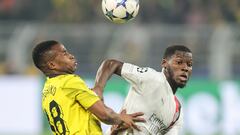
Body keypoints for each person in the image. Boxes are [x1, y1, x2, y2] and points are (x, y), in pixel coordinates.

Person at [32, 40, 145, 135]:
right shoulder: (70, 82)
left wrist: (112, 130)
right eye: (65, 53)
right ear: (52, 65)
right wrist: (121, 118)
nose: (71, 56)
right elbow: (105, 115)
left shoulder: (47, 90)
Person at [94, 45, 193, 135]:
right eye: (179, 62)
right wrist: (98, 89)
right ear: (164, 64)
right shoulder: (152, 78)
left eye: (189, 64)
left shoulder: (177, 113)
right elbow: (111, 64)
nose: (185, 68)